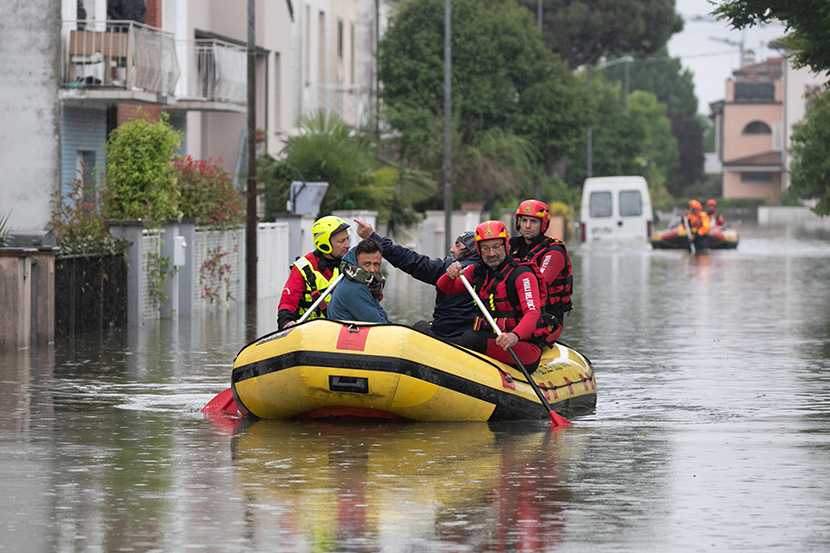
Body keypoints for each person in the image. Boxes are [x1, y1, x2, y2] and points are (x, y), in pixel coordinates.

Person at [437, 221, 560, 371]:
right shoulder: (477, 271)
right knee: (426, 328)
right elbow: (445, 289)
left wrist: (514, 335)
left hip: (523, 347)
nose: (491, 253)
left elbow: (533, 313)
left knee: (471, 338)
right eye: (485, 248)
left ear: (506, 245)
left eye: (496, 246)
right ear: (479, 250)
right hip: (493, 340)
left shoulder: (522, 274)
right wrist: (449, 275)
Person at [354, 220, 480, 341]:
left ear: (471, 251)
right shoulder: (486, 271)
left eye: (458, 246)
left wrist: (373, 237)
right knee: (422, 325)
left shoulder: (451, 269)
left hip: (445, 337)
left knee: (419, 326)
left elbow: (411, 261)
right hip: (469, 336)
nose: (452, 249)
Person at [277, 215, 350, 329]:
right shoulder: (303, 268)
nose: (348, 245)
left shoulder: (352, 265)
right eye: (341, 241)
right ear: (325, 244)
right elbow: (288, 302)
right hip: (310, 331)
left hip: (343, 330)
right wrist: (286, 321)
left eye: (347, 239)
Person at [509, 199, 573, 330]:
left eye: (533, 221)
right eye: (524, 220)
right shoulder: (512, 246)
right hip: (518, 314)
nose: (527, 226)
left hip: (548, 318)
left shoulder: (554, 252)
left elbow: (538, 286)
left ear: (543, 224)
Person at [327, 238, 389, 324]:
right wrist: (381, 315)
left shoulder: (361, 283)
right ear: (356, 263)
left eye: (376, 264)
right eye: (366, 264)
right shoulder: (355, 289)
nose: (372, 270)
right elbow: (379, 324)